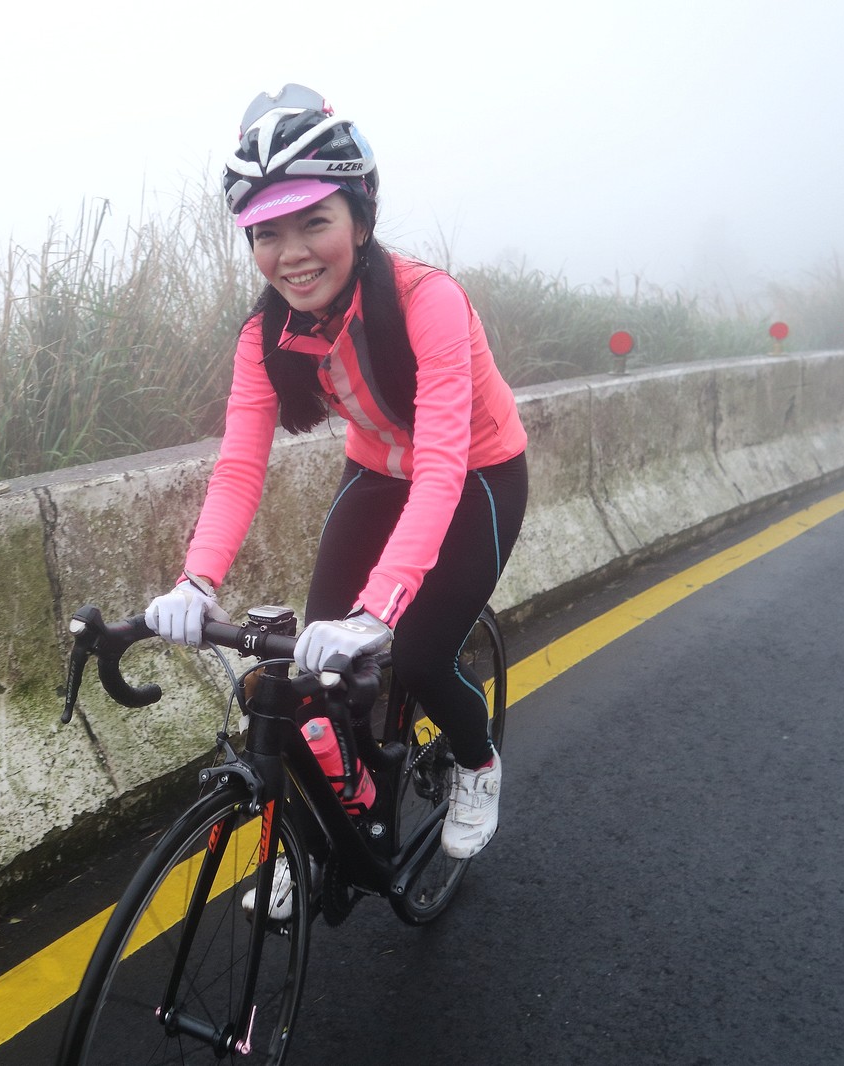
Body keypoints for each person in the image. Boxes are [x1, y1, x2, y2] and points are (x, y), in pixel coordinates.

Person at [144, 84, 529, 916]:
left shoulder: (428, 300)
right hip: (377, 473)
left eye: (312, 222)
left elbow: (440, 468)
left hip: (475, 475)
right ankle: (330, 833)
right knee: (317, 673)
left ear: (359, 218)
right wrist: (195, 581)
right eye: (267, 233)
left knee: (417, 657)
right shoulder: (264, 335)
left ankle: (475, 761)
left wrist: (378, 611)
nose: (291, 254)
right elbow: (238, 467)